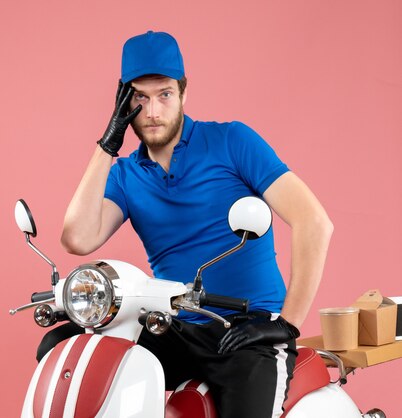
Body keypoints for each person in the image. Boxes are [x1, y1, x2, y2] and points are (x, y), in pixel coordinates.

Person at [39, 31, 333, 418]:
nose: (153, 112)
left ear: (183, 93)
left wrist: (288, 325)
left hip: (245, 332)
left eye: (164, 95)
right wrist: (108, 143)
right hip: (172, 327)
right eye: (139, 99)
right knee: (62, 346)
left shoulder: (232, 141)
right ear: (124, 102)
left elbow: (314, 221)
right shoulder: (127, 174)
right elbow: (77, 239)